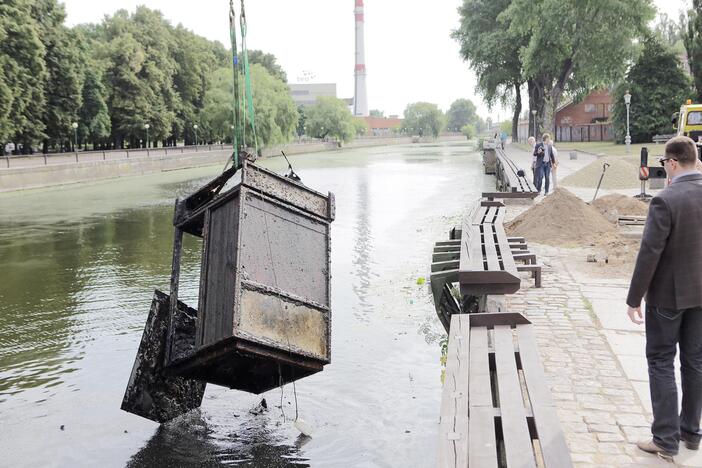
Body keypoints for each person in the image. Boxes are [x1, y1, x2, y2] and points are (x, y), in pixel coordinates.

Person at [626, 135, 702, 460]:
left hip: (668, 296)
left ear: (672, 163)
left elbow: (649, 253)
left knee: (660, 361)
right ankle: (691, 431)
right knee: (695, 362)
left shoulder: (666, 199)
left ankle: (665, 438)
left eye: (664, 164)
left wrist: (634, 298)